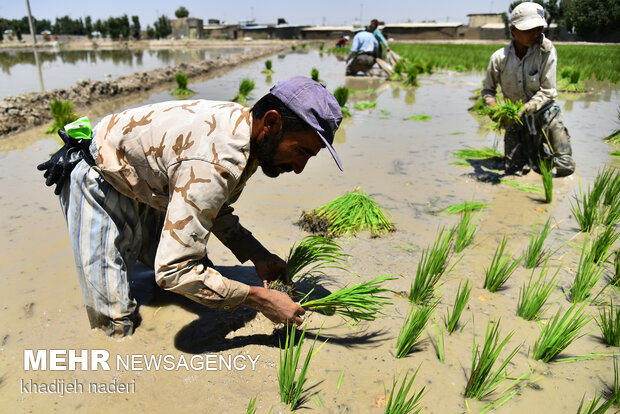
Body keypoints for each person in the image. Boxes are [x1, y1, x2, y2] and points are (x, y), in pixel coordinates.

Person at [37, 76, 343, 337]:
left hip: (151, 183)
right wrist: (262, 300)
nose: (300, 167)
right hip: (100, 175)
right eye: (301, 151)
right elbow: (174, 271)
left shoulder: (248, 132)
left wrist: (257, 254)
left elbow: (214, 206)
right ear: (272, 122)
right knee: (115, 326)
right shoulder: (216, 159)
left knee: (177, 282)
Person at [481, 2, 575, 177]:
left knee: (563, 165)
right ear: (513, 30)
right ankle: (528, 156)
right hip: (514, 118)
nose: (535, 33)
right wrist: (494, 109)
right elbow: (488, 92)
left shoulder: (546, 51)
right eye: (529, 29)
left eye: (539, 28)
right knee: (514, 170)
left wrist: (526, 108)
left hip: (543, 112)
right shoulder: (499, 58)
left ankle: (557, 161)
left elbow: (548, 92)